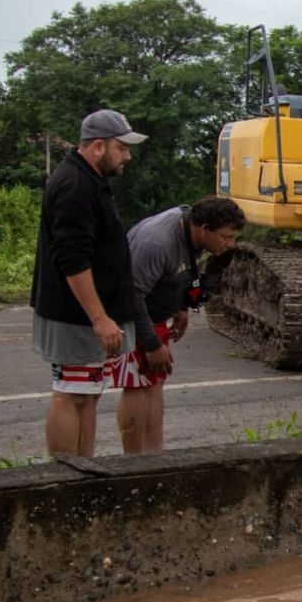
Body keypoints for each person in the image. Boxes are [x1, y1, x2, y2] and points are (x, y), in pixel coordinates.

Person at [31, 109, 147, 457]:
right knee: (71, 393)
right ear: (98, 147)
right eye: (121, 148)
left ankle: (83, 469)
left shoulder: (89, 180)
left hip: (87, 314)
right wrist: (99, 318)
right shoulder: (76, 186)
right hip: (76, 315)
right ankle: (66, 476)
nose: (127, 156)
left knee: (88, 392)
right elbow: (72, 259)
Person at [112, 196, 245, 453]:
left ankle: (154, 456)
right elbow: (132, 294)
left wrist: (181, 306)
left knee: (156, 381)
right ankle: (133, 461)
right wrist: (150, 343)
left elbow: (183, 270)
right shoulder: (157, 242)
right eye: (226, 237)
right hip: (134, 317)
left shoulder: (193, 234)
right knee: (137, 385)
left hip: (157, 314)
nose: (230, 244)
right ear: (204, 227)